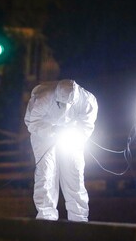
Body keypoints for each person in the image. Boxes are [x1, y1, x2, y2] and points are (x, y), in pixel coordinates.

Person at [24, 79, 98, 221]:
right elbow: (33, 123)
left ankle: (79, 220)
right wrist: (52, 130)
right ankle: (46, 219)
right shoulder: (43, 98)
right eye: (60, 104)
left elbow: (87, 125)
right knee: (46, 174)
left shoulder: (88, 101)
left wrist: (75, 135)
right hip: (43, 136)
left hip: (72, 137)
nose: (64, 108)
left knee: (74, 174)